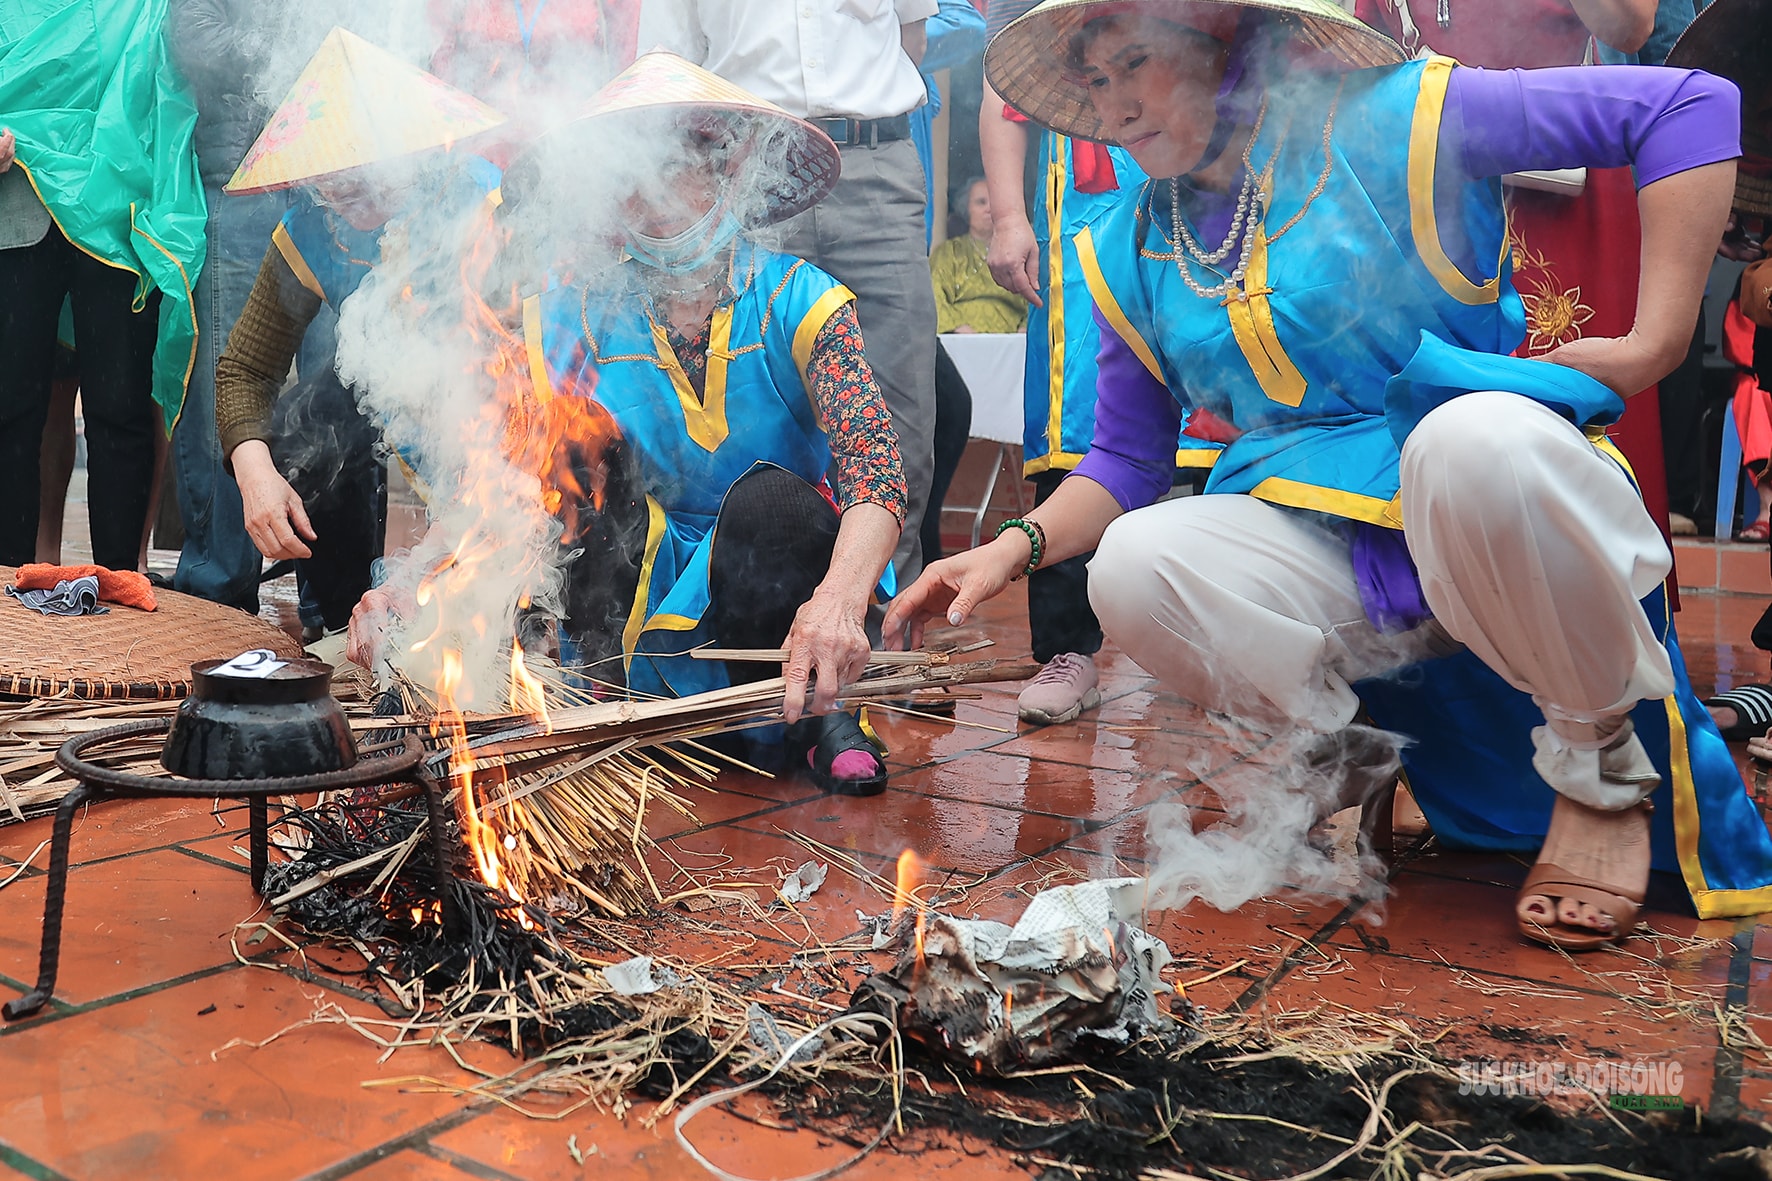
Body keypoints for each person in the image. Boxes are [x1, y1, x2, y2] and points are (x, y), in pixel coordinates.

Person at [888, 0, 1772, 949]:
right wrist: (1006, 550)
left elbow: (1689, 102)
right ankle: (1334, 744)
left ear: (1225, 47)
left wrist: (1658, 340)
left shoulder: (1399, 115)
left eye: (1133, 64)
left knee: (1464, 442)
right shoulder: (1131, 242)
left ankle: (1600, 772)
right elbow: (1126, 463)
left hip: (1492, 506)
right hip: (1339, 562)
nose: (1112, 107)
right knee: (1136, 563)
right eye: (1094, 84)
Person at [357, 52, 908, 795]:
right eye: (624, 175)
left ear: (727, 169)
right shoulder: (574, 316)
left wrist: (840, 601)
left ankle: (816, 718)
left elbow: (875, 467)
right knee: (579, 471)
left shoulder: (798, 298)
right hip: (636, 582)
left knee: (768, 503)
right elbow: (503, 478)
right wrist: (410, 582)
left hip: (781, 572)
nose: (644, 196)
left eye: (670, 166)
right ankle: (619, 702)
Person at [212, 31, 507, 634]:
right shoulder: (312, 228)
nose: (341, 191)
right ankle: (343, 622)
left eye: (360, 170)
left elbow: (537, 375)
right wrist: (254, 472)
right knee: (312, 421)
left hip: (498, 419)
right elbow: (244, 368)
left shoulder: (485, 202)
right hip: (397, 402)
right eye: (327, 175)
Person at [637, 0, 941, 583]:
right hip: (744, 179)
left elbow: (914, 39)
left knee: (899, 416)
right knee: (753, 399)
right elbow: (663, 70)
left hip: (875, 161)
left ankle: (873, 620)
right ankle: (766, 607)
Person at [0, 0, 205, 574]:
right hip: (20, 199)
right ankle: (7, 583)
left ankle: (119, 577)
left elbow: (164, 70)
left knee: (119, 404)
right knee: (13, 403)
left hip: (117, 207)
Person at [932, 178, 1030, 333]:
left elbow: (1037, 295)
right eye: (981, 202)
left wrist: (1026, 328)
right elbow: (934, 294)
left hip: (1014, 342)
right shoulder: (949, 252)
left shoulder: (1019, 252)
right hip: (959, 341)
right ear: (967, 209)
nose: (989, 208)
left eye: (994, 202)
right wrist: (956, 328)